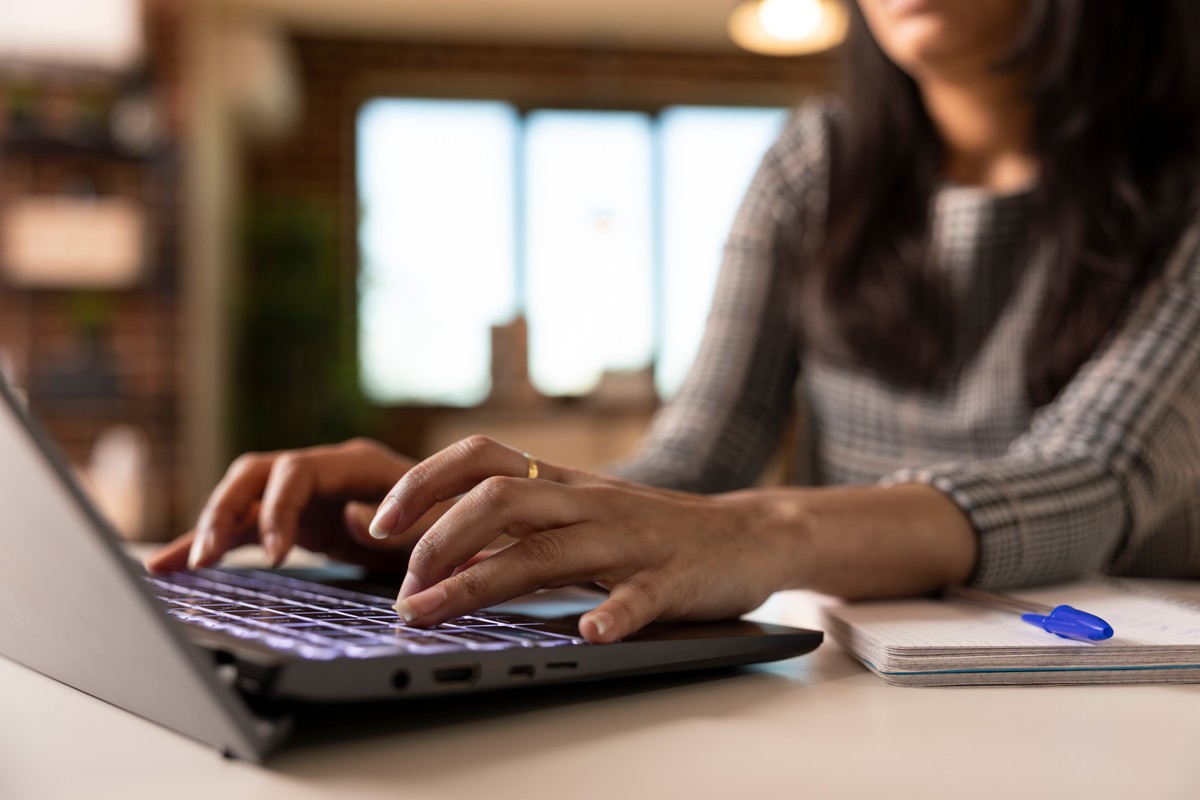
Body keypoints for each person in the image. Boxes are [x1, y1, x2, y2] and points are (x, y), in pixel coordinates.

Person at [149, 0, 1200, 645]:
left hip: (1120, 696)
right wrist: (462, 519)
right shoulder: (815, 168)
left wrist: (769, 529)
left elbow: (1097, 476)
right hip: (861, 683)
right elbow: (695, 459)